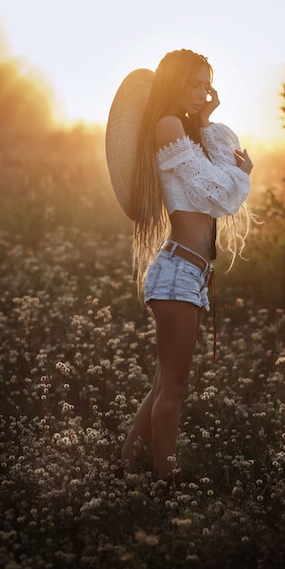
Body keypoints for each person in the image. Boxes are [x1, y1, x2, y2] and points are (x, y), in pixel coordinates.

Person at [106, 49, 253, 481]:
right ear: (172, 84)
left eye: (206, 83)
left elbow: (221, 185)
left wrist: (206, 120)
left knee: (162, 387)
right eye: (193, 83)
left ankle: (124, 470)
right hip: (177, 275)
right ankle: (166, 482)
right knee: (174, 388)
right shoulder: (168, 126)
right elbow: (224, 193)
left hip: (189, 274)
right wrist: (244, 175)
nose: (202, 91)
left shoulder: (190, 130)